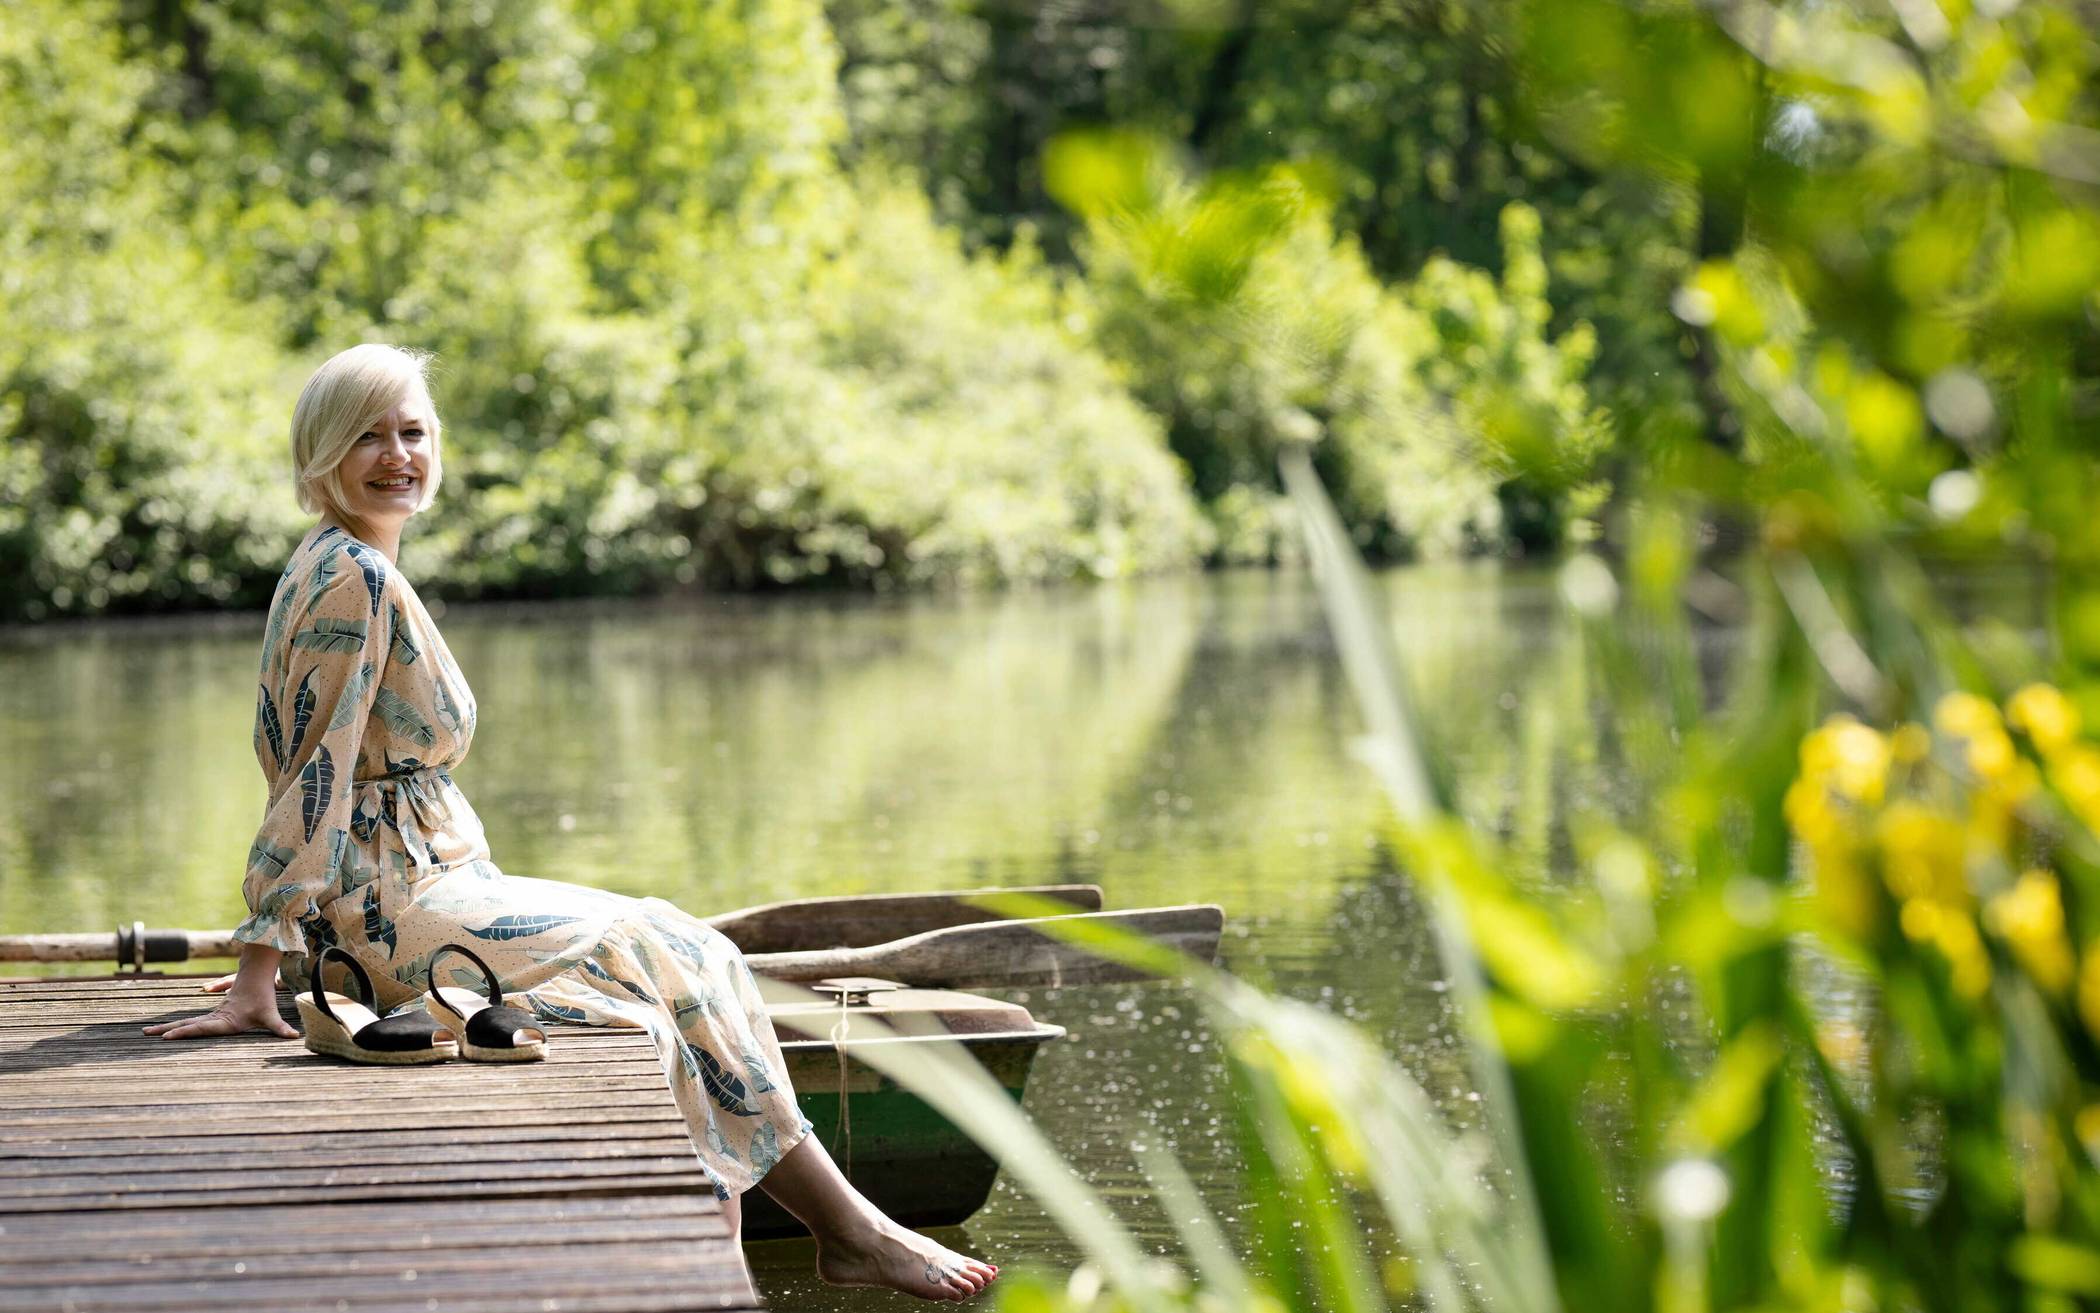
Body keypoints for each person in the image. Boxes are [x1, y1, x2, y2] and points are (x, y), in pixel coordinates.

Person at [143, 343, 998, 1303]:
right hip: (391, 907)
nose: (397, 454)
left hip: (421, 888)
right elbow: (313, 776)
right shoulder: (355, 581)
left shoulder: (344, 563)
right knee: (653, 960)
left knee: (686, 943)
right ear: (320, 458)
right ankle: (846, 1227)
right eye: (367, 436)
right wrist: (265, 965)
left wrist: (293, 943)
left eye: (413, 431)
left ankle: (831, 1228)